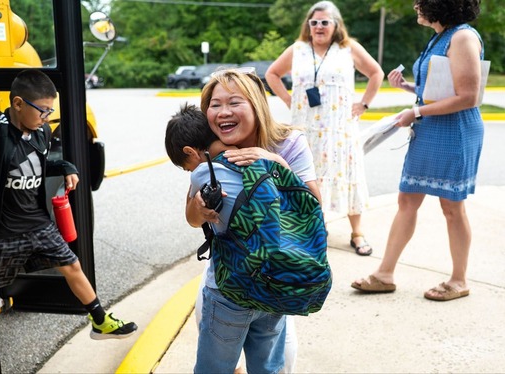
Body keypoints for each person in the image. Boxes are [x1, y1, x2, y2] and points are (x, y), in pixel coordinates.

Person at [0, 69, 137, 338]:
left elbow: (36, 167)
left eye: (50, 111)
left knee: (72, 264)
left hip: (38, 223)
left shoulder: (42, 133)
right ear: (17, 103)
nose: (46, 118)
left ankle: (99, 320)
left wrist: (65, 166)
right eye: (42, 111)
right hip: (5, 232)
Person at [184, 68, 323, 373]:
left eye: (234, 102)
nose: (223, 112)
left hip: (277, 277)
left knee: (276, 365)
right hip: (229, 281)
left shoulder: (287, 143)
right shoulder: (210, 150)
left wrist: (276, 162)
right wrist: (199, 208)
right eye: (215, 104)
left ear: (257, 104)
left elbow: (314, 208)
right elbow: (192, 219)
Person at [351, 0, 484, 301]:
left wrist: (418, 111)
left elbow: (469, 97)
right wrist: (411, 89)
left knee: (452, 206)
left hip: (455, 131)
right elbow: (443, 88)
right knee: (407, 198)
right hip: (430, 127)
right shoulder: (441, 36)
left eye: (421, 1)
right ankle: (384, 274)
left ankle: (459, 280)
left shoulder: (462, 37)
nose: (415, 6)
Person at [165, 102, 300, 374]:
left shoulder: (204, 173)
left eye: (186, 165)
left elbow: (192, 219)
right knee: (268, 368)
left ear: (191, 152)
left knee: (214, 369)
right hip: (275, 287)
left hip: (230, 293)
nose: (189, 171)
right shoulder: (264, 160)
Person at [265, 1, 384, 256]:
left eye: (325, 22)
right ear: (308, 25)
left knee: (349, 174)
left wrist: (363, 103)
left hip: (339, 130)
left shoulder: (347, 48)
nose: (319, 27)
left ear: (335, 25)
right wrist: (288, 99)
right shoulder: (297, 49)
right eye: (314, 22)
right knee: (308, 176)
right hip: (307, 129)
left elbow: (376, 73)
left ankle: (357, 233)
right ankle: (314, 227)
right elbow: (272, 74)